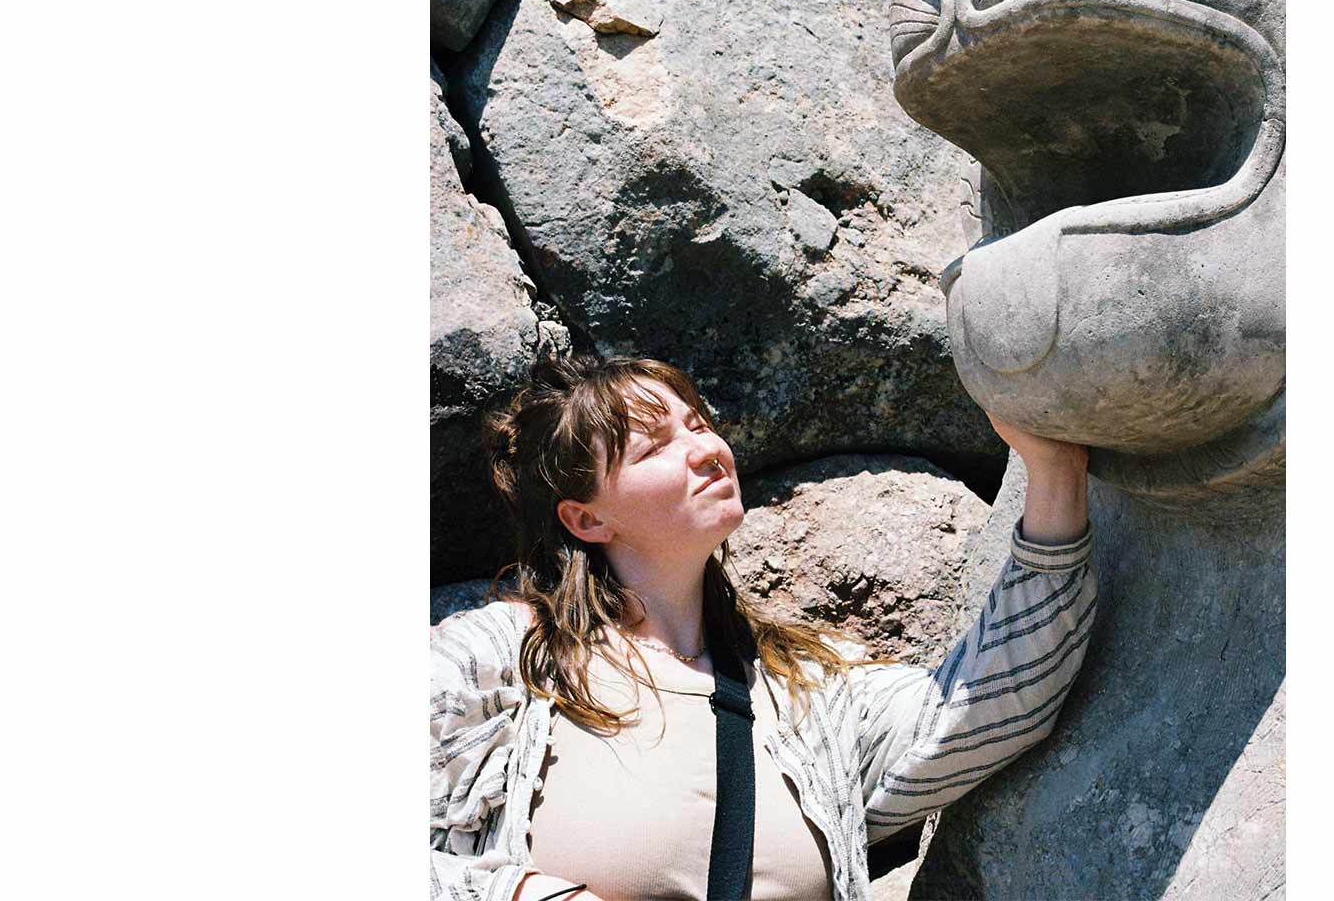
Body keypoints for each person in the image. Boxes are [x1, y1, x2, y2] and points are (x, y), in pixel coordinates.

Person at [430, 355, 1096, 901]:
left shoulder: (805, 691)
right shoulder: (500, 661)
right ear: (588, 521)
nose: (707, 451)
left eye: (699, 425)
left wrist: (1054, 468)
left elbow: (990, 705)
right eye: (657, 446)